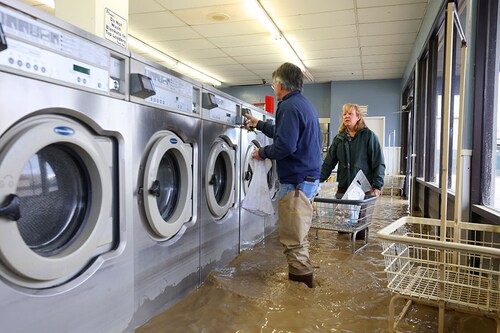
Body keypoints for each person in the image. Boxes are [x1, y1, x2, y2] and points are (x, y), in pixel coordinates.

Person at [243, 62, 322, 288]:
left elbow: (284, 146)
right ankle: (303, 285)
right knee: (299, 236)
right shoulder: (303, 104)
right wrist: (260, 125)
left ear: (279, 84)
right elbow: (284, 133)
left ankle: (301, 295)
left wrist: (263, 152)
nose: (273, 88)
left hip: (296, 183)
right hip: (306, 181)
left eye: (273, 84)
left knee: (293, 240)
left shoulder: (287, 106)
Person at [320, 103, 385, 201]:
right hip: (343, 189)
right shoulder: (339, 139)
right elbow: (328, 163)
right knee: (342, 216)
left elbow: (378, 162)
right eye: (345, 114)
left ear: (358, 117)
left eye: (350, 114)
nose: (346, 116)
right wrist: (318, 181)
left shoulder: (369, 136)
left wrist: (377, 186)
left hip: (362, 189)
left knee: (360, 216)